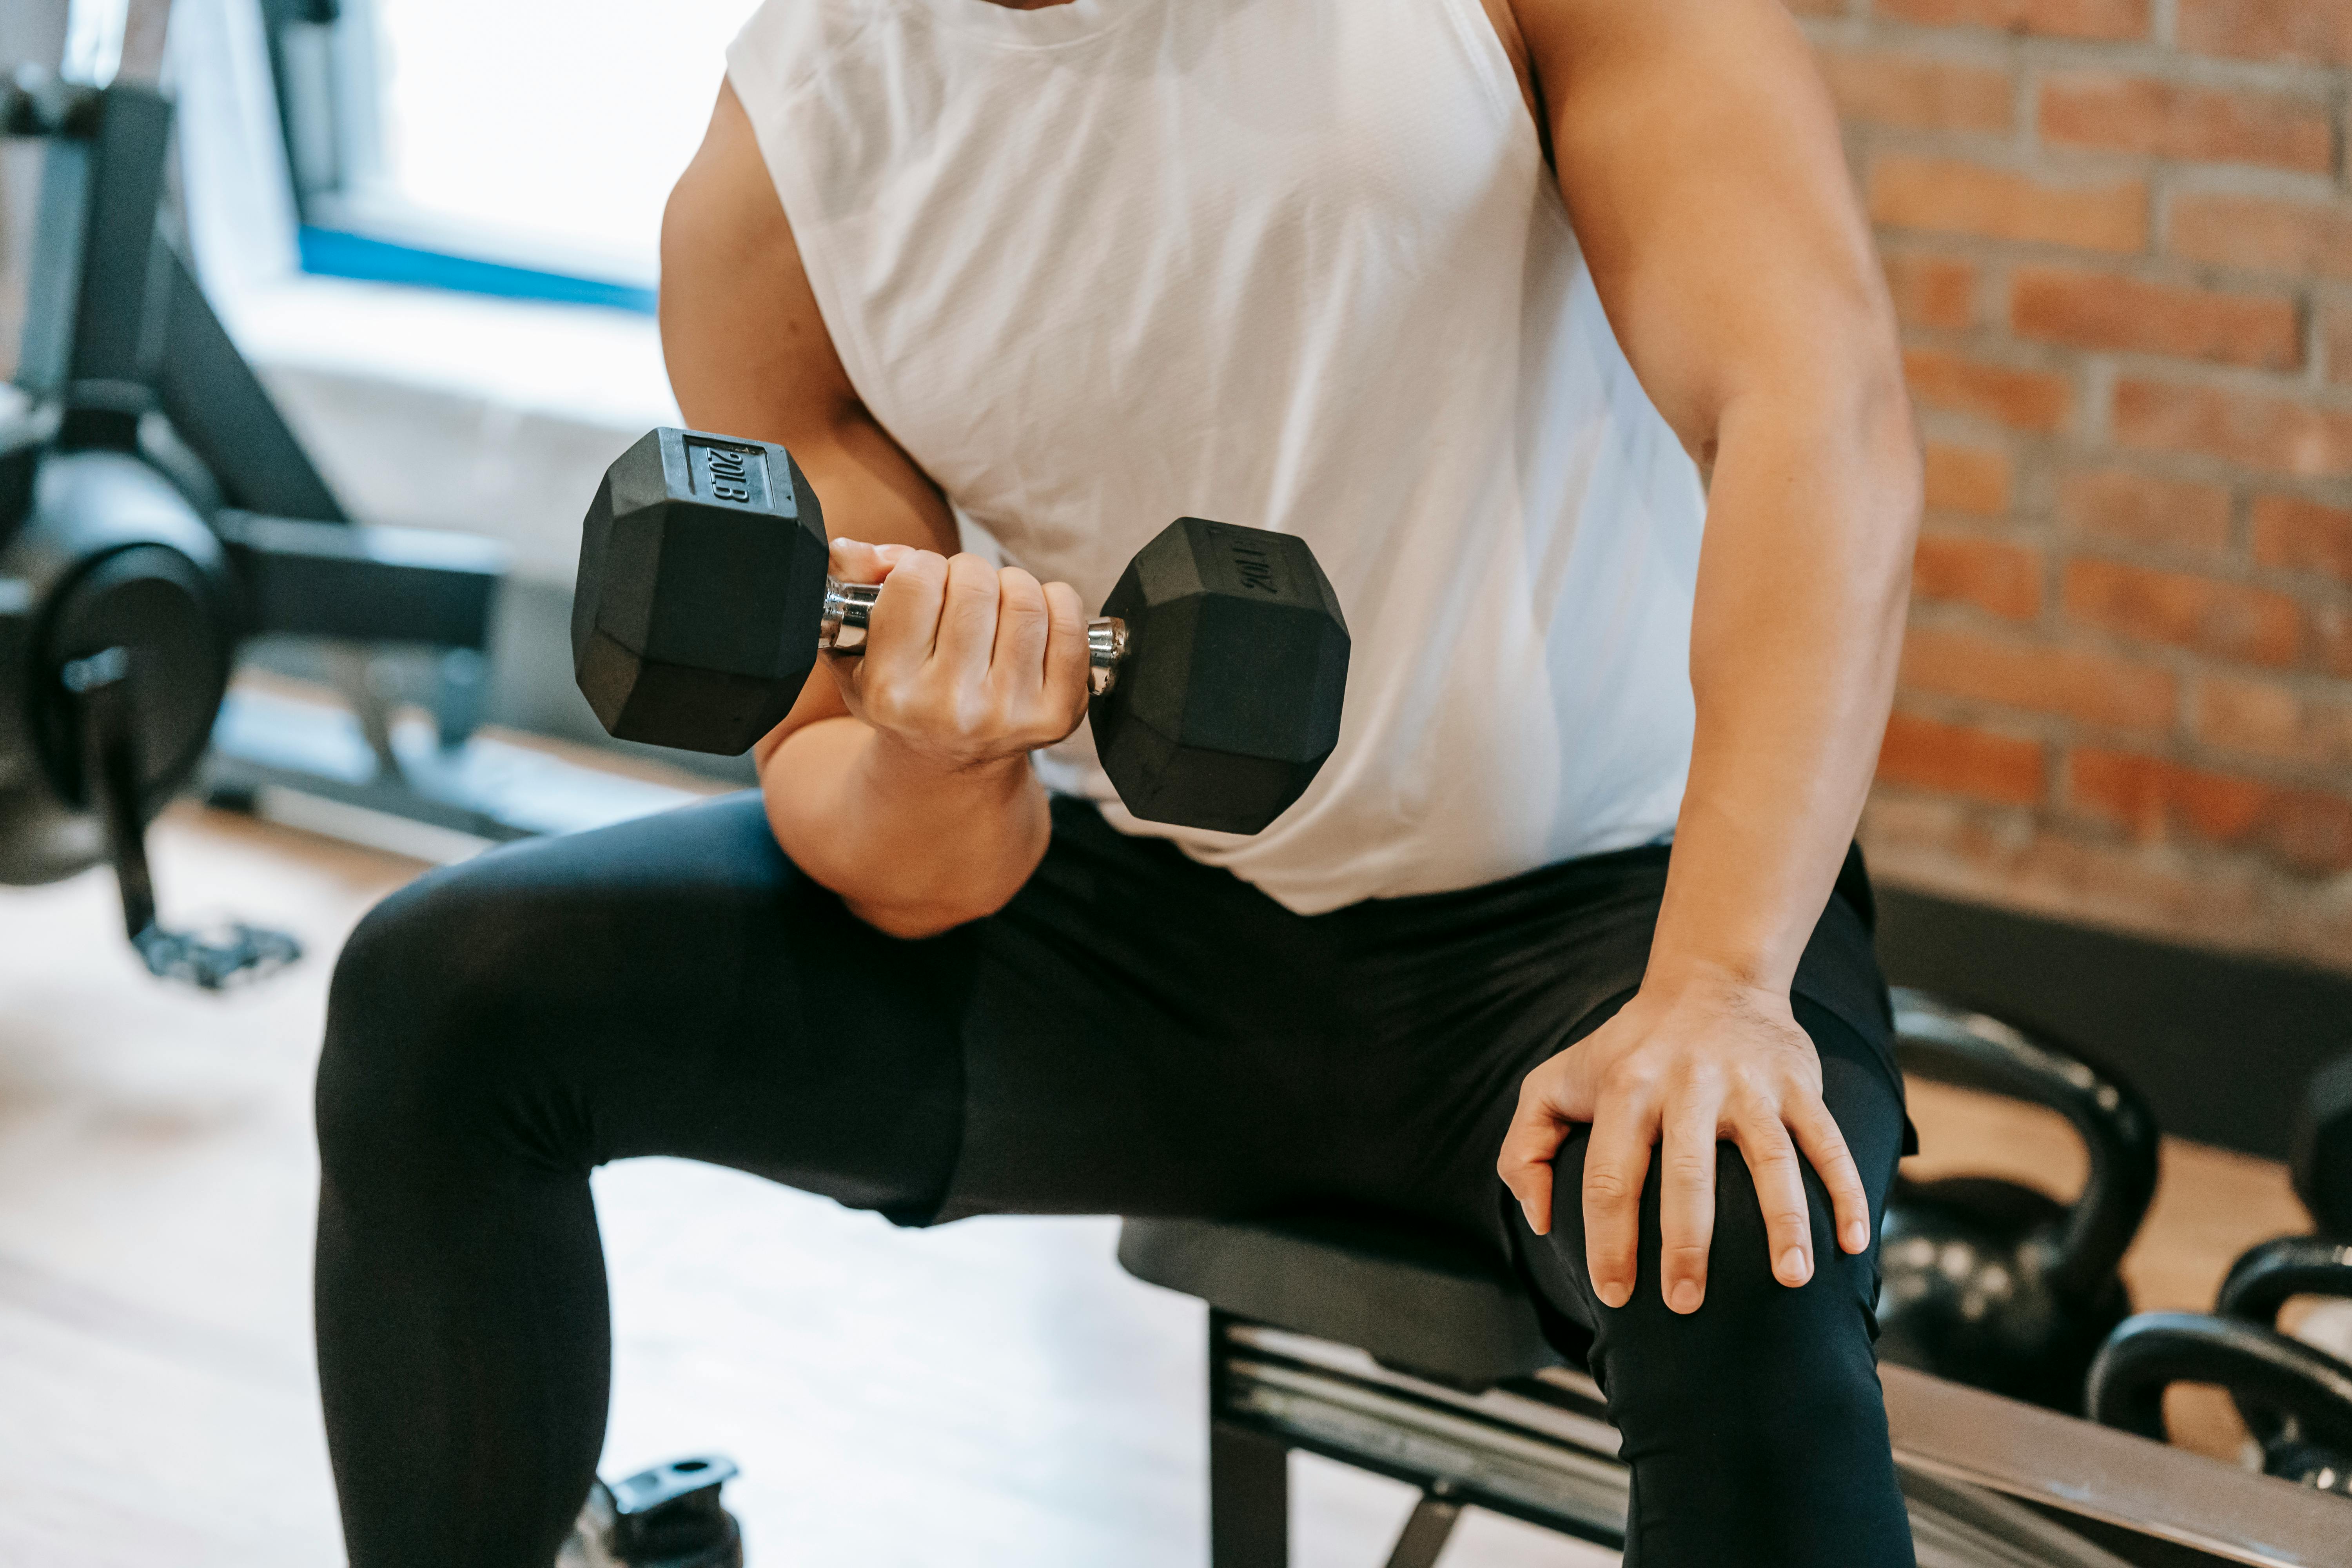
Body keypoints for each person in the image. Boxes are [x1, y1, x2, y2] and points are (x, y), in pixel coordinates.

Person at [313, 0, 1923, 1562]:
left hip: (1609, 929)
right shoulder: (788, 171)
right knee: (450, 997)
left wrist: (1721, 977)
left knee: (1736, 1225)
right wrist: (943, 748)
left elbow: (1812, 406)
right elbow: (881, 833)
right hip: (1141, 927)